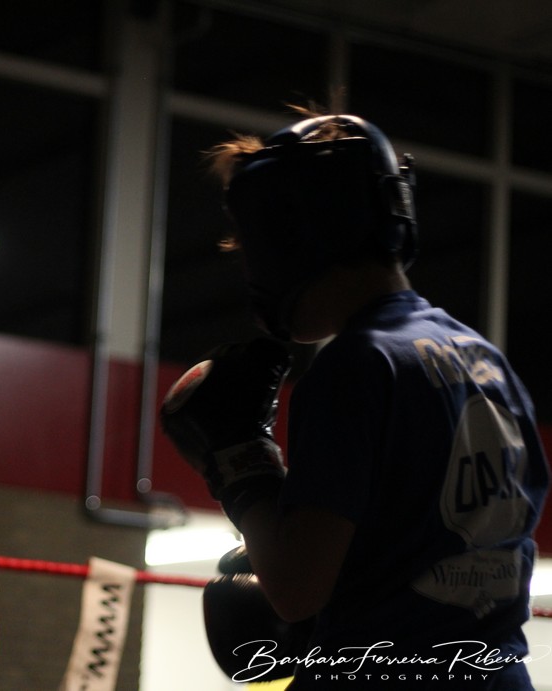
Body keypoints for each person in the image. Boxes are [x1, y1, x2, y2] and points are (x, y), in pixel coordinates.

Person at [160, 109, 550, 688]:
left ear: (291, 235)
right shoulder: (485, 359)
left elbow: (295, 590)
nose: (249, 267)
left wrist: (240, 458)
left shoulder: (357, 366)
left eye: (250, 246)